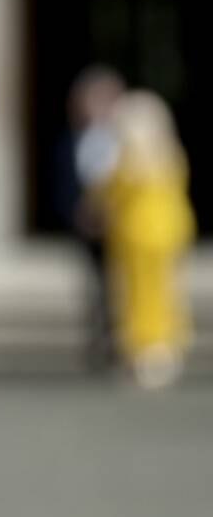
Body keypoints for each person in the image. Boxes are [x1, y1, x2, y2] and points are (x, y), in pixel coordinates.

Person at [99, 90, 196, 391]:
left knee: (142, 294)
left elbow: (112, 192)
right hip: (166, 231)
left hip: (140, 233)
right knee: (164, 291)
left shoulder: (131, 160)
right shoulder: (169, 154)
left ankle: (149, 347)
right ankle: (161, 347)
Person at [50, 66, 123, 373]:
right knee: (96, 287)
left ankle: (123, 340)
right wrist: (76, 215)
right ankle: (101, 340)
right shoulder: (70, 141)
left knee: (122, 285)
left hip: (123, 226)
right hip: (86, 227)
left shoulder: (130, 140)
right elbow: (63, 183)